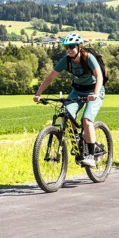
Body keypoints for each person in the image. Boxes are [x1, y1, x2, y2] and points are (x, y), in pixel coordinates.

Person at [33, 32, 105, 167]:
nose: (69, 50)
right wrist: (38, 94)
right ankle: (78, 139)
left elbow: (99, 76)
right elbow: (50, 78)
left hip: (94, 90)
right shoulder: (66, 60)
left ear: (79, 46)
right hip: (77, 91)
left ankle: (91, 155)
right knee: (67, 113)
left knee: (86, 120)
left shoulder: (88, 57)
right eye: (66, 47)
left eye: (71, 46)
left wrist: (95, 94)